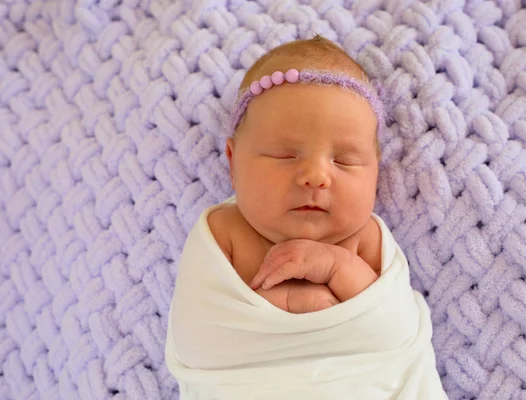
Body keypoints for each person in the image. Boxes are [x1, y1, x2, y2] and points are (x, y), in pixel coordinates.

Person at [165, 36, 447, 399]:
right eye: (285, 155)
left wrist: (334, 267)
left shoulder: (366, 239)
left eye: (344, 160)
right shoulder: (223, 232)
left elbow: (395, 329)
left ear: (376, 171)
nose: (316, 176)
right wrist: (292, 304)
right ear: (233, 163)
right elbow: (196, 338)